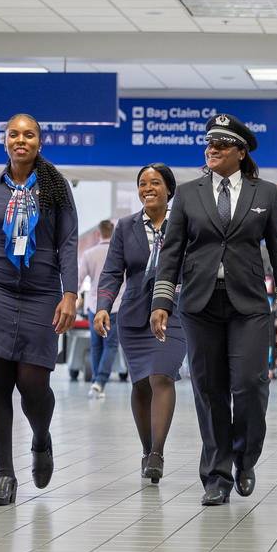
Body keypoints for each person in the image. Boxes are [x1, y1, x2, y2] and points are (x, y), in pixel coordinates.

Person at [150, 113, 277, 506]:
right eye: (209, 143)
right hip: (199, 304)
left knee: (250, 384)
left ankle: (245, 457)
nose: (212, 149)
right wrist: (161, 301)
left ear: (240, 151)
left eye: (222, 144)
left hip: (249, 304)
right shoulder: (187, 193)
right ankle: (217, 475)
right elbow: (171, 252)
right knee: (209, 389)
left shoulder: (264, 192)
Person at [0, 114, 78, 506]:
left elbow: (68, 243)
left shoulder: (56, 188)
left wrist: (69, 293)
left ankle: (41, 438)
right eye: (14, 134)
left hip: (41, 290)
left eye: (29, 134)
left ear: (40, 142)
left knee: (34, 382)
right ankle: (5, 474)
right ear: (5, 142)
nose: (21, 140)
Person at [95, 163, 186, 483]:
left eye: (155, 183)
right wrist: (103, 306)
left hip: (176, 314)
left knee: (162, 377)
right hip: (133, 317)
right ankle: (147, 449)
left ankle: (158, 453)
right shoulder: (126, 226)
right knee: (139, 384)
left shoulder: (184, 223)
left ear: (169, 189)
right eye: (143, 183)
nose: (148, 188)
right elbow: (111, 271)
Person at [78, 218, 121, 396]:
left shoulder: (89, 254)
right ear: (114, 233)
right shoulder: (120, 253)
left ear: (98, 233)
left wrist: (74, 298)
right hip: (116, 305)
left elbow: (78, 279)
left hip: (94, 306)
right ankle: (100, 382)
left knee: (96, 345)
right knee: (111, 345)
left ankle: (96, 381)